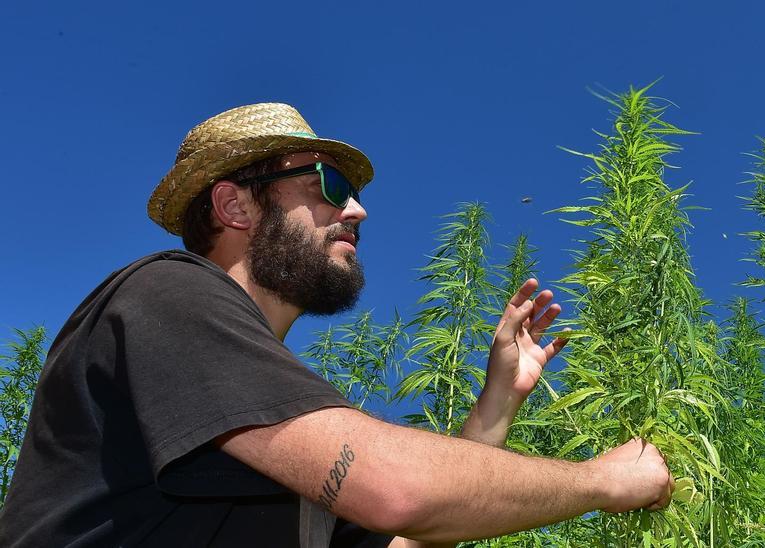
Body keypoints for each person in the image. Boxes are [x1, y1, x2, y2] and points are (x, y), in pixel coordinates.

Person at [0, 103, 673, 546]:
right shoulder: (163, 293)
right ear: (234, 205)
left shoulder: (274, 426)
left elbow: (408, 537)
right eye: (325, 184)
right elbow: (397, 491)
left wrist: (498, 400)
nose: (356, 211)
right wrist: (605, 482)